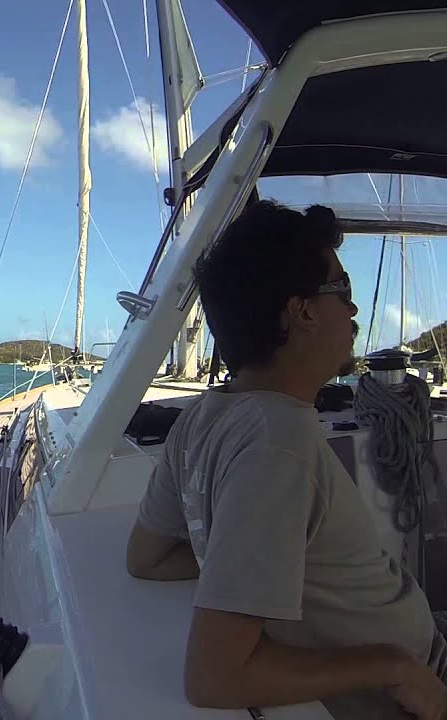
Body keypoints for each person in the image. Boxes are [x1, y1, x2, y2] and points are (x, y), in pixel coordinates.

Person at [124, 200, 447, 719]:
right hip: (409, 690)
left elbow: (146, 556)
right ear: (302, 312)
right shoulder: (278, 444)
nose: (355, 310)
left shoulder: (203, 418)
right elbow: (213, 678)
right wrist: (393, 666)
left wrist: (265, 564)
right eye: (342, 291)